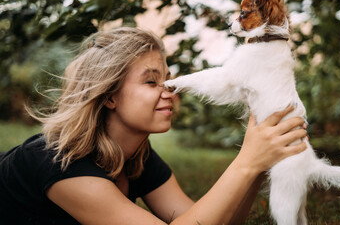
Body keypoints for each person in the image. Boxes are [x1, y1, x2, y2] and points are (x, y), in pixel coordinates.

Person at [0, 27, 307, 225]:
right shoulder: (59, 162)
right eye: (151, 81)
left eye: (167, 78)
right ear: (109, 96)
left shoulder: (138, 157)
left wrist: (257, 165)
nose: (169, 89)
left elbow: (210, 221)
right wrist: (245, 162)